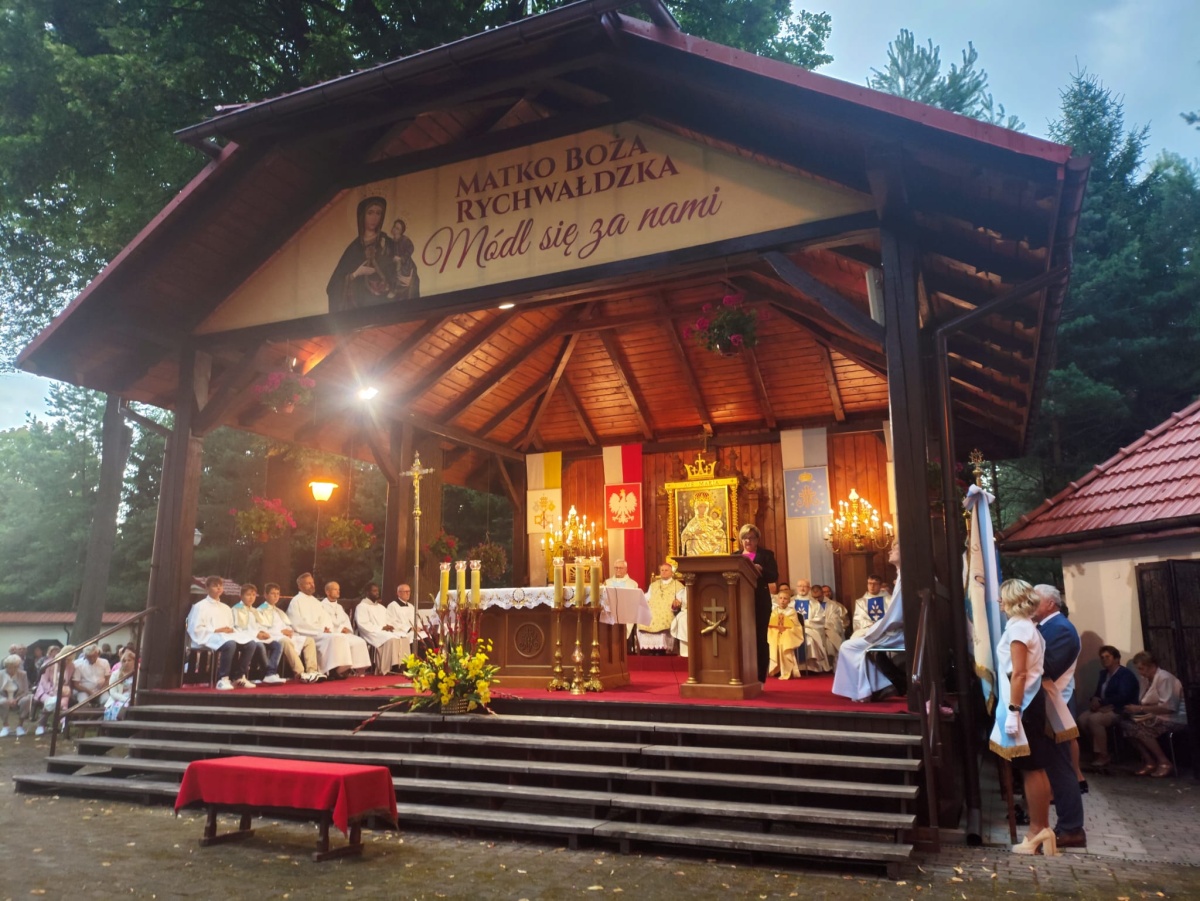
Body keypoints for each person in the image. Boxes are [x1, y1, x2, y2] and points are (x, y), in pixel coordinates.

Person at [989, 579, 1059, 856]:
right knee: (1035, 768)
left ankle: (1037, 831)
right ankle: (1042, 830)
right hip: (1029, 702)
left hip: (1023, 704)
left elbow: (1018, 673)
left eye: (1003, 597)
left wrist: (1013, 711)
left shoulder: (1019, 628)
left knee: (1032, 768)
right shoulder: (1026, 626)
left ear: (1013, 600)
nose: (999, 602)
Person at [1032, 584, 1085, 850]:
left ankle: (1072, 828)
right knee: (1055, 768)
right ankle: (1067, 826)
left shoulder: (1061, 629)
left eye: (1036, 600)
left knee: (1061, 768)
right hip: (1046, 705)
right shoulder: (1047, 627)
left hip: (1055, 705)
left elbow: (1048, 667)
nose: (1031, 604)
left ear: (1051, 603)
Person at [831, 543, 905, 702]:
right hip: (889, 630)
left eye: (895, 548)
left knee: (848, 647)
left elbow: (896, 616)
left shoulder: (903, 578)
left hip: (897, 633)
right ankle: (881, 685)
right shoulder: (901, 576)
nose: (890, 551)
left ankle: (868, 690)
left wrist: (874, 631)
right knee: (852, 645)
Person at [185, 575, 260, 691]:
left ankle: (239, 677)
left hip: (225, 636)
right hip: (208, 636)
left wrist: (230, 630)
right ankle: (223, 678)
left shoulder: (225, 608)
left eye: (220, 586)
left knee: (251, 644)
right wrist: (216, 630)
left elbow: (230, 626)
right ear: (207, 588)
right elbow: (195, 628)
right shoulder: (200, 606)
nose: (219, 588)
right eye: (215, 586)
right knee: (230, 644)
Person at [1121, 650, 1187, 777]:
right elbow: (1145, 701)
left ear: (1151, 666)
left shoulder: (1164, 678)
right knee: (1125, 724)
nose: (1140, 672)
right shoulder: (1145, 680)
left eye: (1141, 668)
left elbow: (1168, 708)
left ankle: (1164, 762)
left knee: (1139, 727)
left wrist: (1140, 709)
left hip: (1173, 718)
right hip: (1156, 715)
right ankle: (1149, 761)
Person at [326, 195, 395, 312]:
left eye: (378, 213)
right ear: (362, 216)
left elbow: (400, 270)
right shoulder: (354, 248)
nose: (374, 218)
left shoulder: (387, 243)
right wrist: (356, 273)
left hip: (385, 304)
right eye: (370, 213)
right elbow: (333, 286)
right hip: (359, 307)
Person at [287, 573, 363, 679]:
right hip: (307, 633)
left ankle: (339, 669)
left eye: (312, 582)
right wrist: (319, 630)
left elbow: (325, 618)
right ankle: (329, 671)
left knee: (339, 637)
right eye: (308, 583)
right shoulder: (296, 601)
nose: (312, 585)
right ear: (300, 586)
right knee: (332, 638)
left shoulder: (315, 601)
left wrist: (327, 628)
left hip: (320, 632)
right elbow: (297, 623)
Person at [1077, 645, 1140, 769]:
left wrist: (1102, 702)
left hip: (1120, 708)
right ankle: (1099, 749)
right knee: (1082, 719)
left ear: (1116, 658)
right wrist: (1094, 700)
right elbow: (1098, 693)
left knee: (1094, 720)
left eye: (1107, 656)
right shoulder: (1104, 674)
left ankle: (1103, 755)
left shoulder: (1124, 674)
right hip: (1105, 706)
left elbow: (1124, 695)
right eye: (1102, 657)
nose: (1104, 659)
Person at [258, 583, 324, 683]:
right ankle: (300, 672)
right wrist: (281, 632)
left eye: (277, 593)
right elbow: (262, 630)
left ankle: (312, 671)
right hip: (274, 638)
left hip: (285, 635)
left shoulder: (278, 611)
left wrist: (289, 631)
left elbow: (287, 624)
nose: (276, 596)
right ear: (265, 595)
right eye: (272, 593)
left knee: (309, 640)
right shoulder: (260, 610)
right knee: (285, 641)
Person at [738, 523, 778, 684]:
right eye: (745, 538)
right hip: (739, 602)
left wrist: (761, 569)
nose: (748, 541)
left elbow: (774, 576)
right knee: (740, 638)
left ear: (757, 539)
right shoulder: (735, 556)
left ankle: (760, 677)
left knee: (759, 638)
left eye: (751, 538)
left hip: (760, 602)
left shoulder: (766, 555)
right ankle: (741, 674)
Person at [231, 584, 287, 685]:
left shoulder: (254, 610)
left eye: (253, 595)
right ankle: (269, 674)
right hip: (244, 637)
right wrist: (256, 634)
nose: (251, 597)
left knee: (277, 645)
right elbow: (239, 628)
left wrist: (262, 632)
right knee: (260, 646)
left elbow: (260, 625)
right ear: (241, 596)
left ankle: (271, 672)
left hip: (257, 636)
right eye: (248, 595)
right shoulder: (237, 609)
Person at [355, 582, 409, 674]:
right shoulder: (361, 607)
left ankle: (403, 665)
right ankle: (390, 667)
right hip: (371, 632)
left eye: (377, 591)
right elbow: (363, 624)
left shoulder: (381, 607)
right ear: (367, 592)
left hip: (384, 631)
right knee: (391, 639)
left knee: (404, 637)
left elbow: (389, 620)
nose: (377, 593)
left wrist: (390, 626)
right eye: (374, 591)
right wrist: (382, 628)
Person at [322, 582, 372, 675]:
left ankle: (360, 670)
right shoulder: (321, 606)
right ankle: (340, 670)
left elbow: (345, 620)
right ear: (327, 592)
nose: (338, 591)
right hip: (333, 634)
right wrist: (338, 630)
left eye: (339, 589)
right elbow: (324, 622)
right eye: (335, 589)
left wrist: (346, 628)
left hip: (343, 633)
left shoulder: (339, 607)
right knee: (343, 642)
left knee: (360, 641)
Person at [640, 563, 683, 654]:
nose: (663, 572)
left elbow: (681, 599)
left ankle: (662, 649)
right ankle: (649, 649)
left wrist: (677, 602)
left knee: (663, 615)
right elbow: (647, 597)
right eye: (662, 570)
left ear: (671, 572)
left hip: (668, 609)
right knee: (643, 614)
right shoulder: (653, 585)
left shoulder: (678, 586)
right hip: (653, 608)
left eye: (666, 570)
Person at [31, 644, 72, 735]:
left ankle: (63, 725)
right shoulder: (49, 664)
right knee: (51, 702)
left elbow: (68, 681)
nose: (67, 662)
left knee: (63, 703)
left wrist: (63, 690)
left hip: (63, 691)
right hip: (46, 690)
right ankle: (41, 725)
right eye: (66, 659)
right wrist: (52, 692)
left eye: (69, 660)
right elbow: (43, 681)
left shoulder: (71, 666)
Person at [792, 579, 830, 673]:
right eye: (800, 586)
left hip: (809, 629)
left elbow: (820, 619)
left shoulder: (815, 603)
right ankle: (795, 667)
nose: (802, 588)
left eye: (804, 586)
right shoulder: (791, 602)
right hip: (793, 629)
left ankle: (811, 667)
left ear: (809, 588)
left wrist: (805, 623)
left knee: (810, 641)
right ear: (797, 588)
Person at [767, 589, 804, 680]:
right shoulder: (774, 611)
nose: (782, 600)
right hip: (776, 634)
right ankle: (777, 669)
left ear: (789, 601)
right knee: (775, 642)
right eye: (780, 598)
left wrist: (785, 629)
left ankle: (787, 671)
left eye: (785, 598)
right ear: (777, 600)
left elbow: (795, 625)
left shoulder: (792, 611)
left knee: (784, 643)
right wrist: (777, 630)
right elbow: (771, 625)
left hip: (789, 634)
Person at [679, 491, 728, 555]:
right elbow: (684, 535)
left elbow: (716, 528)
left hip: (710, 543)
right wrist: (694, 533)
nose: (703, 509)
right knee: (696, 538)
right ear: (696, 508)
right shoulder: (693, 521)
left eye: (705, 507)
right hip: (696, 547)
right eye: (701, 507)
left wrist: (715, 531)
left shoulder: (709, 519)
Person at [387, 584, 426, 655]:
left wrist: (419, 627)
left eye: (409, 591)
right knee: (417, 641)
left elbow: (417, 619)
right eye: (406, 591)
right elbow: (392, 622)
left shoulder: (411, 606)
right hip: (404, 632)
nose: (408, 593)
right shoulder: (392, 606)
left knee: (427, 638)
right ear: (399, 593)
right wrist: (409, 628)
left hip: (415, 631)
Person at [0, 653, 32, 737]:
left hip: (18, 697)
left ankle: (20, 726)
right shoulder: (1, 674)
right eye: (9, 667)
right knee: (2, 702)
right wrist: (7, 699)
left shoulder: (23, 674)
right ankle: (5, 726)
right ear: (6, 666)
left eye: (15, 667)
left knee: (26, 699)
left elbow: (25, 691)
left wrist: (16, 699)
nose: (12, 669)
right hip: (4, 697)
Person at [389, 218, 420, 301]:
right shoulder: (392, 241)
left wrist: (402, 258)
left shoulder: (405, 240)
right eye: (394, 227)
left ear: (401, 231)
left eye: (397, 228)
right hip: (396, 263)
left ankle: (395, 290)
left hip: (406, 264)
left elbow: (411, 248)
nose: (394, 229)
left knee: (401, 277)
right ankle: (393, 290)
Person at [103, 649, 137, 722]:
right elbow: (113, 692)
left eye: (129, 660)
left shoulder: (138, 673)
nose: (126, 662)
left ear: (134, 661)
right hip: (119, 698)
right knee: (121, 706)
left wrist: (134, 698)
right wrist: (127, 700)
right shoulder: (115, 674)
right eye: (124, 661)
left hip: (135, 698)